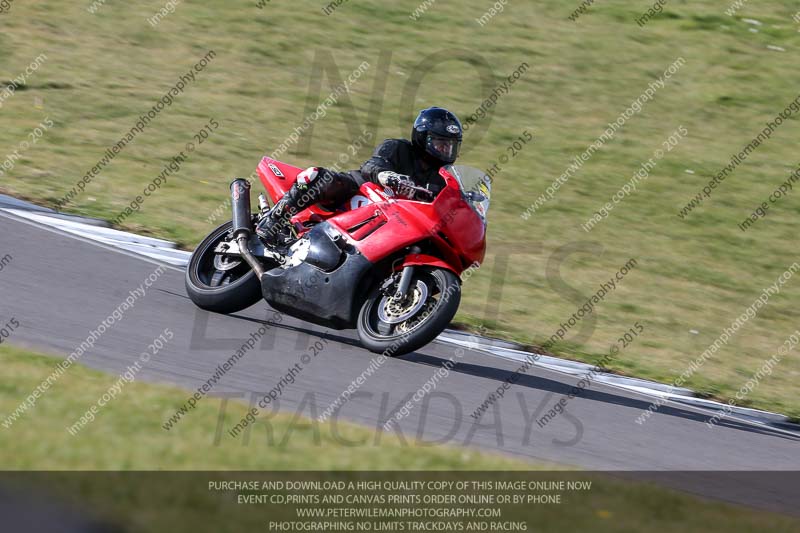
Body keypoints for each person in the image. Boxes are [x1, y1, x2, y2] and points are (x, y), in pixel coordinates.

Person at [256, 106, 463, 245]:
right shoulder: (398, 148)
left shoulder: (442, 178)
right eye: (441, 144)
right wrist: (386, 176)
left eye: (451, 146)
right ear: (423, 137)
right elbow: (371, 166)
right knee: (318, 177)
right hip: (358, 193)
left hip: (395, 223)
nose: (446, 151)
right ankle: (274, 220)